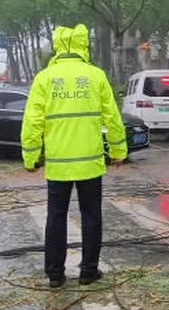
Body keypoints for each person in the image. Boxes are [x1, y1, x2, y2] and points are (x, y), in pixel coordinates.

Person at [21, 24, 128, 288]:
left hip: (59, 166)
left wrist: (31, 157)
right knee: (91, 217)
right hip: (90, 165)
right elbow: (113, 118)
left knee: (56, 217)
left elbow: (32, 122)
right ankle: (88, 272)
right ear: (83, 45)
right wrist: (118, 152)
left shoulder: (45, 78)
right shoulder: (96, 76)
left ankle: (55, 275)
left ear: (57, 45)